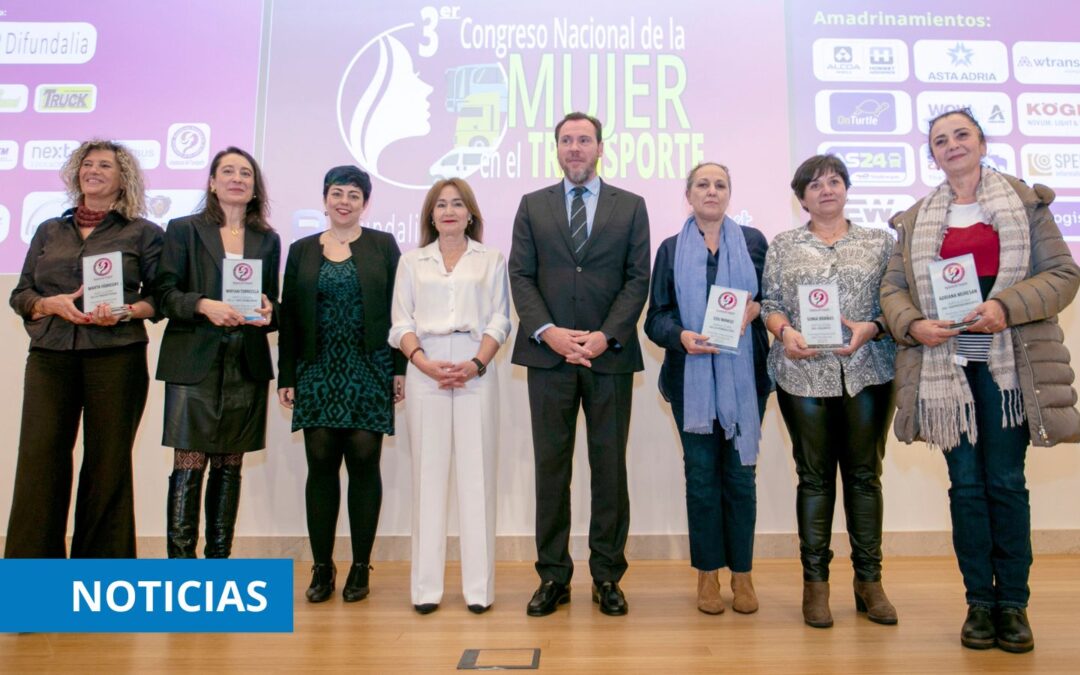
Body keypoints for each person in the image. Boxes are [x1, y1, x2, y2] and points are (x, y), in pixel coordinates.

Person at [881, 109, 1080, 654]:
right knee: (966, 487)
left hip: (1009, 366)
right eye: (940, 141)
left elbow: (1064, 276)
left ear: (982, 141)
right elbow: (893, 291)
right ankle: (979, 603)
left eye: (960, 135)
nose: (951, 146)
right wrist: (913, 324)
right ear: (932, 155)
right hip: (948, 371)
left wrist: (1005, 307)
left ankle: (1013, 604)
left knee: (1006, 484)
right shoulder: (917, 219)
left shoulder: (1025, 204)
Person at [509, 112, 651, 617]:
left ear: (599, 147)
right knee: (552, 471)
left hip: (607, 359)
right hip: (548, 360)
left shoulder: (631, 206)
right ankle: (553, 576)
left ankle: (607, 575)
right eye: (566, 140)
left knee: (609, 470)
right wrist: (549, 333)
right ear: (557, 148)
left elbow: (638, 279)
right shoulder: (532, 206)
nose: (575, 148)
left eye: (584, 140)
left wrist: (603, 336)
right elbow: (520, 276)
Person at [6, 140, 162, 558]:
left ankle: (100, 582)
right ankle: (33, 585)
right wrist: (45, 304)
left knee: (107, 465)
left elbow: (160, 298)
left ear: (122, 178)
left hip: (116, 356)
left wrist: (127, 311)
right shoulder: (48, 230)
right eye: (87, 164)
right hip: (50, 356)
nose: (93, 170)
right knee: (40, 462)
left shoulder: (144, 233)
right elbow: (21, 293)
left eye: (105, 165)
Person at [761, 154, 897, 628]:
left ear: (847, 188)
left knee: (864, 477)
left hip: (868, 371)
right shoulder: (783, 245)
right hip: (802, 376)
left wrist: (873, 327)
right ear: (801, 197)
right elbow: (770, 304)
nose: (826, 190)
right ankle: (815, 587)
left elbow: (897, 304)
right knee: (814, 479)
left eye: (834, 181)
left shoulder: (880, 242)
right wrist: (784, 334)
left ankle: (869, 583)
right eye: (815, 185)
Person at [644, 162, 771, 615]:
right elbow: (655, 317)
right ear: (689, 194)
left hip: (745, 381)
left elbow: (772, 301)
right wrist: (680, 336)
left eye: (720, 184)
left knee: (740, 478)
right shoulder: (671, 248)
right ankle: (707, 574)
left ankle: (743, 573)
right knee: (701, 479)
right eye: (703, 184)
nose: (711, 191)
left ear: (729, 194)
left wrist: (755, 312)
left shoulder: (754, 242)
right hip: (690, 380)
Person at [278, 166, 405, 603]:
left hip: (369, 368)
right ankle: (321, 566)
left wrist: (399, 369)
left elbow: (399, 310)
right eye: (337, 193)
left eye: (354, 194)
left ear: (364, 202)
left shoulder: (383, 246)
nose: (344, 201)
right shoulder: (300, 250)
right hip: (316, 370)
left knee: (366, 465)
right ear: (325, 199)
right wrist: (287, 375)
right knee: (321, 466)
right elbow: (289, 315)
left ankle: (360, 566)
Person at [390, 178, 510, 614]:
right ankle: (426, 590)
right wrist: (422, 362)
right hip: (426, 365)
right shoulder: (411, 261)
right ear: (430, 214)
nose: (449, 211)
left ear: (471, 213)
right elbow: (400, 321)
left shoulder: (491, 259)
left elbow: (501, 318)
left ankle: (479, 591)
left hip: (477, 365)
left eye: (458, 204)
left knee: (477, 479)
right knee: (429, 477)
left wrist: (477, 363)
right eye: (440, 204)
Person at [155, 146, 279, 559]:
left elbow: (273, 307)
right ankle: (181, 567)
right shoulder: (183, 229)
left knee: (230, 465)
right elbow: (163, 295)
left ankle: (218, 565)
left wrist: (267, 312)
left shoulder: (268, 239)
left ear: (254, 187)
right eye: (228, 171)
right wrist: (204, 305)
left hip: (244, 362)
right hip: (195, 360)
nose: (237, 178)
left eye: (246, 172)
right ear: (212, 182)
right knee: (190, 463)